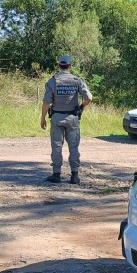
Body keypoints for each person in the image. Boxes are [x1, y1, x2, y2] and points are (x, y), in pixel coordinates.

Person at [40, 55, 93, 184]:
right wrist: (80, 107)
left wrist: (42, 118)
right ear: (70, 66)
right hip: (73, 118)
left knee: (57, 146)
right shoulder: (77, 80)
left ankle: (56, 175)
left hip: (57, 117)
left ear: (59, 66)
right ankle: (74, 176)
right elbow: (89, 98)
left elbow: (46, 102)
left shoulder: (53, 81)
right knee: (74, 147)